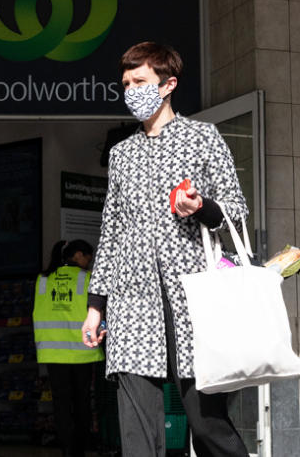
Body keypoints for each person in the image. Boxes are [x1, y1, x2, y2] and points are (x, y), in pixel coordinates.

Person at [81, 41, 250, 457]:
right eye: (125, 83)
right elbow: (112, 232)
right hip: (132, 304)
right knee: (137, 433)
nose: (130, 89)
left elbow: (237, 213)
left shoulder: (202, 138)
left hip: (193, 300)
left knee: (207, 424)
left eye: (139, 81)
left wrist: (201, 207)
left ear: (167, 84)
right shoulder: (121, 154)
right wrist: (95, 306)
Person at [33, 239, 103, 457]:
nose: (89, 263)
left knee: (61, 404)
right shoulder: (87, 279)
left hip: (53, 352)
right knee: (81, 401)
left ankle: (67, 449)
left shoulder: (43, 279)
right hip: (82, 352)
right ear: (78, 255)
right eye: (88, 258)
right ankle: (79, 449)